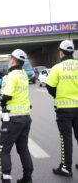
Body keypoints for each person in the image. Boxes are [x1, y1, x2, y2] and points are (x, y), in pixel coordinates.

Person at [0, 49, 33, 183]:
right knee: (23, 149)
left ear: (13, 60)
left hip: (12, 118)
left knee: (4, 150)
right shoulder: (23, 74)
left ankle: (6, 180)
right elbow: (7, 77)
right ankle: (27, 178)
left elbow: (6, 96)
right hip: (25, 117)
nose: (9, 60)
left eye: (10, 58)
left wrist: (0, 98)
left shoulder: (12, 76)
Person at [46, 39, 78, 177]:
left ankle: (66, 167)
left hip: (64, 109)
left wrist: (58, 96)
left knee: (66, 138)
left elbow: (50, 86)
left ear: (61, 52)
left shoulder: (57, 68)